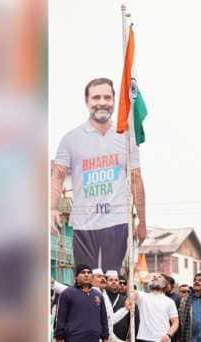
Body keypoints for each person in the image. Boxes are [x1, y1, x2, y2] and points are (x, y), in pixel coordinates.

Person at [51, 77, 147, 275]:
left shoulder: (127, 138)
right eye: (96, 97)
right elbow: (58, 175)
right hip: (83, 224)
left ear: (113, 100)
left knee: (111, 280)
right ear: (87, 102)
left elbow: (137, 179)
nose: (102, 102)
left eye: (107, 97)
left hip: (116, 223)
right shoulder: (71, 139)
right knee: (86, 284)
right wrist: (51, 208)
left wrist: (142, 221)